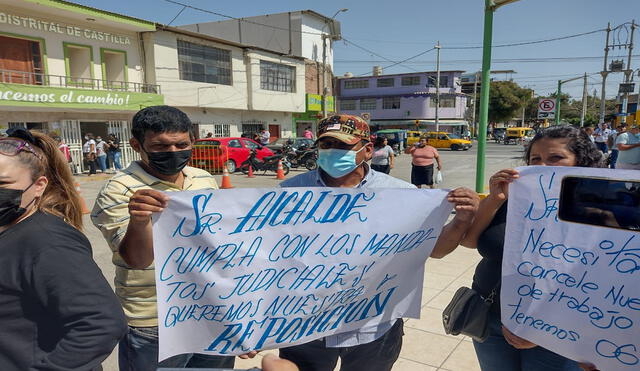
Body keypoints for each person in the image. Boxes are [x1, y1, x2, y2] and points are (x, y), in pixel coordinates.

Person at [278, 114, 479, 371]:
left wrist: (462, 220)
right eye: (326, 145)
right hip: (304, 324)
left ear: (368, 150)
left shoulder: (401, 194)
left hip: (374, 326)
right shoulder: (287, 194)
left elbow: (436, 250)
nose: (332, 152)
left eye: (342, 145)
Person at [91, 106, 240, 370]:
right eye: (160, 146)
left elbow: (218, 243)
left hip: (210, 310)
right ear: (137, 145)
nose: (173, 153)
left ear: (192, 141)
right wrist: (139, 221)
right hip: (153, 321)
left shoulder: (203, 179)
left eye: (181, 144)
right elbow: (137, 260)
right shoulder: (118, 190)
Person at [460, 125, 603, 371]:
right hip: (492, 318)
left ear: (581, 162)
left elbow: (603, 282)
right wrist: (495, 199)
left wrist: (547, 327)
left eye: (556, 158)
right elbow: (470, 241)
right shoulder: (514, 198)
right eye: (535, 159)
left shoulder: (600, 210)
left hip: (558, 330)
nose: (543, 166)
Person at [0, 127, 127, 370]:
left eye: (2, 183)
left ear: (39, 186)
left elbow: (101, 323)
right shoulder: (9, 227)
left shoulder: (48, 242)